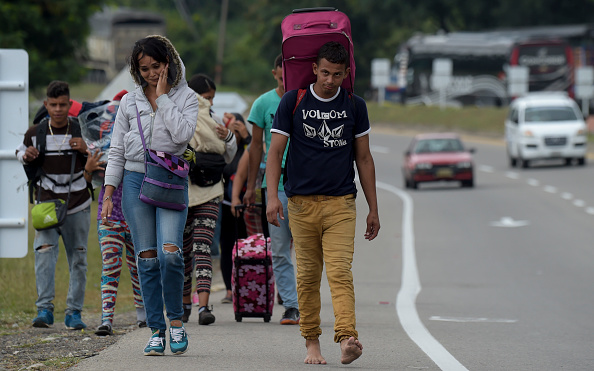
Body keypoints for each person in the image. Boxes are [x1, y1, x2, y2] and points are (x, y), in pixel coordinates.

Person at [265, 41, 380, 365]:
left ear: (347, 74)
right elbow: (275, 152)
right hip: (300, 205)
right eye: (325, 72)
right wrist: (273, 197)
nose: (330, 80)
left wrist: (373, 208)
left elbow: (364, 158)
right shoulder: (294, 101)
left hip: (341, 204)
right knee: (308, 277)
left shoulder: (354, 106)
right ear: (315, 69)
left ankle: (347, 338)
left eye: (337, 74)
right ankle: (311, 342)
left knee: (340, 272)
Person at [102, 35, 198, 356]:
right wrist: (108, 192)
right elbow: (116, 149)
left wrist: (163, 97)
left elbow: (182, 136)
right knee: (147, 258)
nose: (152, 73)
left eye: (157, 66)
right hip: (133, 180)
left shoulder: (188, 97)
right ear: (135, 70)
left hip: (170, 179)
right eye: (144, 69)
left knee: (170, 253)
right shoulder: (128, 102)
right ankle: (156, 330)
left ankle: (176, 321)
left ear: (169, 61)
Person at [16, 80, 92, 330]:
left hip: (78, 202)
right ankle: (44, 310)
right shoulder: (35, 132)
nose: (58, 109)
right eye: (53, 105)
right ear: (46, 105)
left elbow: (100, 157)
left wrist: (86, 149)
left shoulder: (81, 130)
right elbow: (19, 151)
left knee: (78, 258)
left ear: (70, 105)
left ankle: (74, 313)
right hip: (46, 204)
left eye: (63, 105)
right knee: (44, 255)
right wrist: (25, 155)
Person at [243, 54, 300, 325]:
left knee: (306, 248)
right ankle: (291, 305)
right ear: (275, 72)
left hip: (305, 184)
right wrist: (252, 185)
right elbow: (255, 147)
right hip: (274, 186)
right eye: (281, 71)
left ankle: (307, 301)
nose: (284, 75)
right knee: (279, 248)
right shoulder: (263, 103)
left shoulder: (305, 98)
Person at [181, 74, 237, 325]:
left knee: (193, 250)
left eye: (212, 98)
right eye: (207, 97)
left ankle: (196, 306)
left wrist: (227, 136)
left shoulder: (182, 117)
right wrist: (226, 138)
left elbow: (230, 152)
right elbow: (228, 155)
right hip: (194, 192)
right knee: (191, 251)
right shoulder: (194, 118)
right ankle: (192, 305)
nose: (209, 102)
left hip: (197, 192)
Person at [83, 146, 147, 336]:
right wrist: (89, 166)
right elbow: (87, 180)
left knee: (140, 266)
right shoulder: (102, 145)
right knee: (110, 266)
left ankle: (143, 316)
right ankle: (106, 319)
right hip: (109, 215)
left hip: (138, 213)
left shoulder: (143, 140)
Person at [218, 113, 251, 304]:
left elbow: (259, 154)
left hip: (247, 205)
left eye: (237, 129)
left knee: (248, 246)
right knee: (227, 246)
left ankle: (246, 285)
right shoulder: (223, 148)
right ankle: (230, 289)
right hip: (225, 204)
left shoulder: (248, 147)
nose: (234, 133)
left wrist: (247, 136)